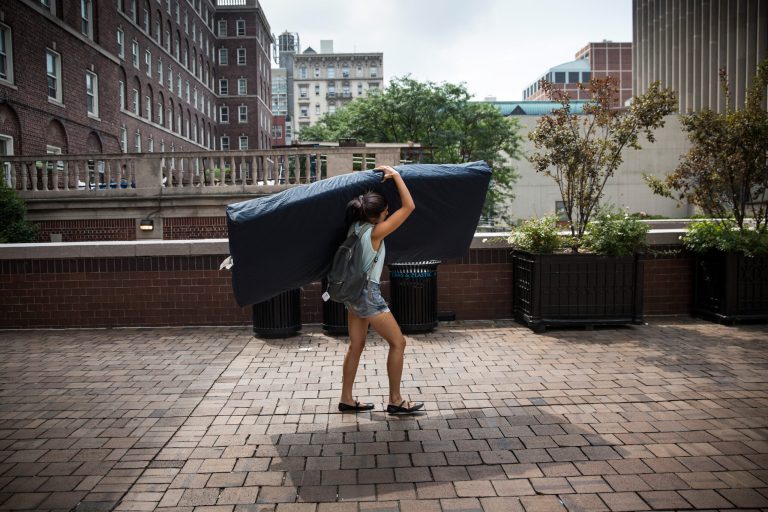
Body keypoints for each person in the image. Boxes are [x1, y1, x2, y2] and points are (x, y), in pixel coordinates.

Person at [338, 165, 424, 415]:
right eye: (385, 211)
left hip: (352, 293)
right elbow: (409, 207)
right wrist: (396, 176)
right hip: (367, 293)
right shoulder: (376, 232)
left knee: (356, 345)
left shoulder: (354, 228)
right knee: (398, 342)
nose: (388, 213)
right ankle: (396, 400)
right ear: (375, 216)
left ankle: (346, 398)